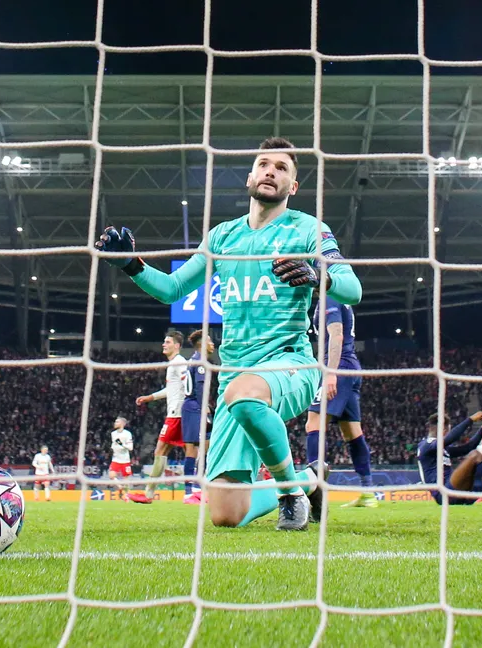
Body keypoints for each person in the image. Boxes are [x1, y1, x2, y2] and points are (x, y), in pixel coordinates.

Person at [96, 137, 363, 530]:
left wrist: (318, 275)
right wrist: (131, 264)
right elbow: (172, 289)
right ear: (250, 178)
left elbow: (352, 288)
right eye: (263, 164)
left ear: (293, 187)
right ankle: (308, 480)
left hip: (290, 362)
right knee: (225, 514)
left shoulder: (309, 230)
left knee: (244, 393)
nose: (271, 170)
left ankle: (290, 494)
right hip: (236, 376)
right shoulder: (222, 237)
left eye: (282, 167)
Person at [304, 293, 376, 516]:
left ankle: (314, 493)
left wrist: (331, 373)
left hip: (339, 367)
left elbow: (336, 335)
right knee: (352, 431)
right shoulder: (334, 299)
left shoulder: (330, 299)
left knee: (313, 424)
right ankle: (368, 493)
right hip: (350, 366)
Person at [131, 331, 188, 503]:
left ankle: (149, 494)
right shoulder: (174, 364)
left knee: (161, 450)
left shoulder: (179, 362)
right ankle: (200, 489)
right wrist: (151, 397)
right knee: (189, 452)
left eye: (168, 342)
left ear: (176, 345)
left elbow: (188, 385)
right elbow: (171, 389)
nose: (164, 344)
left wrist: (191, 406)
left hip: (176, 415)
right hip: (178, 413)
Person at [181, 329, 217, 505]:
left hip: (190, 406)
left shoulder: (192, 360)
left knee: (197, 448)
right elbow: (200, 386)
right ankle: (192, 490)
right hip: (196, 406)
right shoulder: (200, 362)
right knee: (198, 448)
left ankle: (193, 488)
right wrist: (205, 408)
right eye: (210, 340)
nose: (213, 344)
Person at [108, 417, 135, 501]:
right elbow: (114, 444)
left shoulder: (127, 434)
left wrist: (121, 444)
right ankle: (120, 487)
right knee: (111, 475)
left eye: (117, 422)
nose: (115, 423)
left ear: (122, 424)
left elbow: (130, 448)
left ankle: (126, 496)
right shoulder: (113, 433)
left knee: (126, 480)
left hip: (125, 460)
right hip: (116, 458)